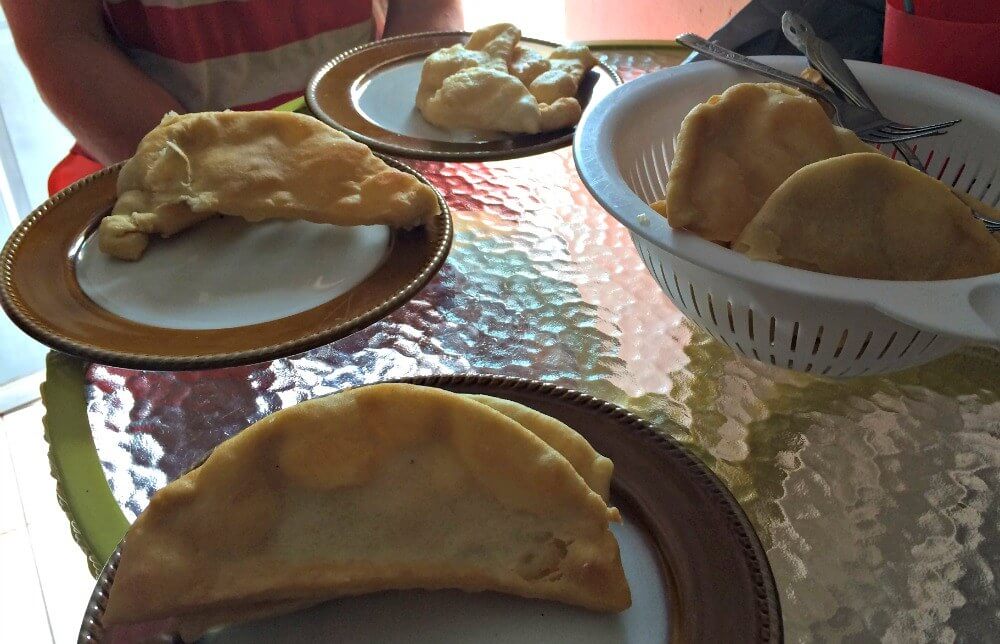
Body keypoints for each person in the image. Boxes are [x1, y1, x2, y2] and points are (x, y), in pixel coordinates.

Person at [1, 0, 463, 193]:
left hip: (380, 149)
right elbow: (60, 38)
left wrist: (396, 133)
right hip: (169, 173)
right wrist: (203, 180)